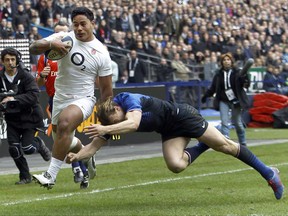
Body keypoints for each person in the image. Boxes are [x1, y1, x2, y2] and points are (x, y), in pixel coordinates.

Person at [67, 92, 284, 200]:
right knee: (175, 165)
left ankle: (269, 174)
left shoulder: (128, 99)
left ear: (116, 108)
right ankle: (203, 145)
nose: (116, 127)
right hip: (170, 131)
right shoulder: (112, 122)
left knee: (226, 146)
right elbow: (92, 148)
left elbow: (132, 123)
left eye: (115, 122)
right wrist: (77, 156)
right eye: (112, 125)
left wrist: (106, 130)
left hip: (184, 117)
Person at [30, 6, 113, 189]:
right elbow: (33, 47)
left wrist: (106, 120)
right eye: (75, 25)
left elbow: (107, 90)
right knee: (62, 138)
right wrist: (52, 44)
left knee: (66, 124)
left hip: (84, 99)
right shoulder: (64, 38)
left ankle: (50, 175)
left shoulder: (101, 53)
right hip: (60, 97)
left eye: (83, 24)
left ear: (92, 24)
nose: (79, 28)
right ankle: (87, 154)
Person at [36, 21, 90, 189]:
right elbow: (37, 83)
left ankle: (76, 170)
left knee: (64, 135)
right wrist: (42, 76)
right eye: (57, 34)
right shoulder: (45, 57)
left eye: (64, 33)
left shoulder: (76, 54)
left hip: (73, 100)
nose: (61, 37)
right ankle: (85, 162)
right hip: (55, 100)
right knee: (61, 139)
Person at [0, 47, 51, 184]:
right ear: (2, 62)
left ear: (17, 60)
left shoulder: (26, 76)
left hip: (30, 117)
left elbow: (34, 95)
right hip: (12, 119)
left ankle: (39, 144)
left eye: (12, 59)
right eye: (7, 60)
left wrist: (13, 99)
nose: (10, 62)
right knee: (14, 149)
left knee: (27, 148)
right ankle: (25, 177)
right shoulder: (0, 78)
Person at [201, 53, 250, 146]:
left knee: (237, 123)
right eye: (224, 60)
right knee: (224, 122)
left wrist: (245, 79)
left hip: (236, 101)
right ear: (221, 62)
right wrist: (205, 96)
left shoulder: (238, 72)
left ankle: (243, 143)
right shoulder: (218, 75)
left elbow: (245, 84)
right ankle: (226, 142)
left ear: (231, 61)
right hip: (223, 100)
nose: (226, 61)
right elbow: (213, 87)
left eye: (228, 60)